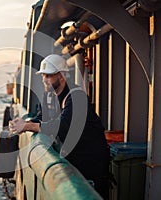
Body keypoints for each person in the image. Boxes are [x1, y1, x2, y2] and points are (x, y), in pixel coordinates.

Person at [9, 54, 110, 199]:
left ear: (62, 76)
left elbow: (63, 127)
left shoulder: (77, 97)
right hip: (73, 158)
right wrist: (22, 123)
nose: (44, 80)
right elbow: (41, 117)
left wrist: (28, 126)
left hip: (92, 162)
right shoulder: (49, 95)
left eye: (48, 76)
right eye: (43, 75)